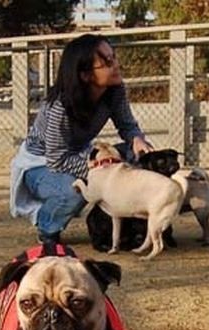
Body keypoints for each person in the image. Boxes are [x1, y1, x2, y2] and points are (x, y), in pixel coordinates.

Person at [9, 33, 153, 244]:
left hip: (81, 154)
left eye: (113, 57)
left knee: (142, 156)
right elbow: (57, 160)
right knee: (74, 191)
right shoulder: (61, 107)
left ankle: (134, 227)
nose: (115, 65)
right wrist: (101, 170)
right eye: (106, 62)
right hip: (40, 164)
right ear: (85, 75)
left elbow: (127, 125)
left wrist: (137, 139)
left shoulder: (115, 91)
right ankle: (46, 225)